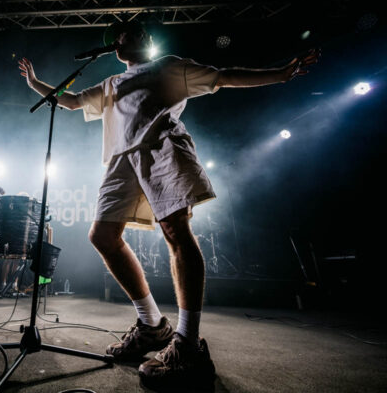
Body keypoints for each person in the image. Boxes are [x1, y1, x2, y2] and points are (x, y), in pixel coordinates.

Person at [19, 20, 318, 387]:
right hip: (121, 161)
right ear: (116, 46)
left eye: (141, 31)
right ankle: (151, 325)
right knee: (102, 236)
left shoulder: (169, 66)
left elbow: (224, 76)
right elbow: (70, 101)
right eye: (129, 32)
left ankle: (188, 342)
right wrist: (35, 83)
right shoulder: (111, 83)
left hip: (163, 148)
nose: (139, 34)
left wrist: (280, 74)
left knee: (175, 230)